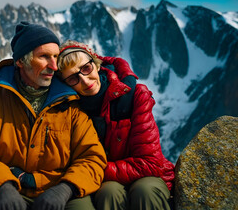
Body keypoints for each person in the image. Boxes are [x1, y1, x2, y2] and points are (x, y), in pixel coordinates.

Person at [0, 23, 107, 210]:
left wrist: (66, 189)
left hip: (60, 191)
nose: (53, 66)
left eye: (56, 57)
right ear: (20, 62)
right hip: (9, 188)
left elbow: (92, 157)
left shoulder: (71, 104)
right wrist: (2, 186)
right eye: (43, 57)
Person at [57, 40, 175, 210]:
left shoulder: (135, 95)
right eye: (73, 78)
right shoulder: (71, 111)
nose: (84, 79)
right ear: (66, 84)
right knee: (109, 192)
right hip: (106, 181)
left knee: (146, 190)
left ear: (96, 65)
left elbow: (151, 163)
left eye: (86, 68)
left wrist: (94, 170)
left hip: (145, 174)